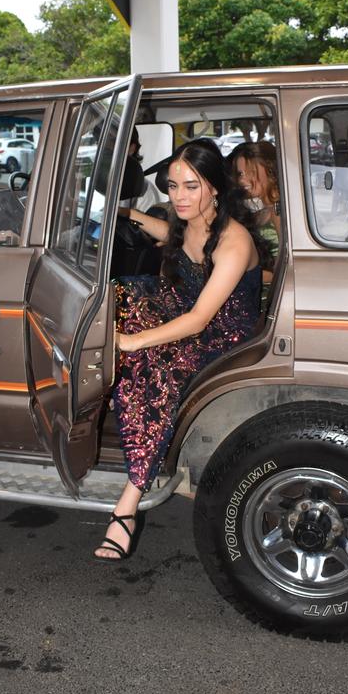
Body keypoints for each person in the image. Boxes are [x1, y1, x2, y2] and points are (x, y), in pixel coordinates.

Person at [94, 138, 262, 561]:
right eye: (172, 186)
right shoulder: (194, 220)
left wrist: (131, 342)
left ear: (216, 188)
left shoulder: (235, 241)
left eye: (191, 186)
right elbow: (175, 235)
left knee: (152, 362)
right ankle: (107, 400)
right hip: (184, 309)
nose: (179, 197)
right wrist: (128, 214)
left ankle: (128, 504)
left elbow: (201, 320)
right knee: (121, 296)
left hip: (220, 337)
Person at [230, 141, 280, 310]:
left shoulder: (278, 210)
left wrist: (237, 274)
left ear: (271, 170)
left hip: (268, 302)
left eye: (250, 173)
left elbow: (283, 274)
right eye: (240, 173)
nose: (242, 180)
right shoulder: (264, 207)